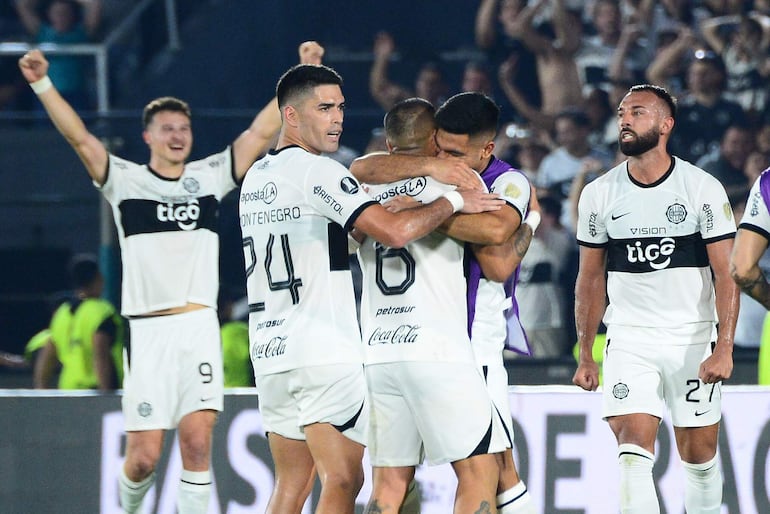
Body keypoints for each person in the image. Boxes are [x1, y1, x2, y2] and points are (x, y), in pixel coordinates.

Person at [19, 41, 325, 514]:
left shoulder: (209, 176)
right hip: (148, 331)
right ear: (148, 137)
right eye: (166, 128)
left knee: (198, 445)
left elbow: (261, 130)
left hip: (198, 327)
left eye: (183, 128)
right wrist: (42, 82)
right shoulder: (124, 181)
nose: (177, 135)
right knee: (142, 460)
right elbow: (80, 137)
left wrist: (302, 74)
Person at [238, 65, 503, 514]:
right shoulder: (320, 172)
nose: (337, 118)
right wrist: (454, 199)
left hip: (270, 348)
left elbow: (338, 237)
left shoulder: (257, 180)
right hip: (322, 348)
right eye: (324, 108)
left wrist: (377, 208)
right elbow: (395, 234)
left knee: (291, 484)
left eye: (340, 107)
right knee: (343, 478)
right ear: (291, 116)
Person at [351, 91, 538, 514]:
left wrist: (414, 209)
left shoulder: (370, 189)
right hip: (452, 347)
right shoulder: (451, 184)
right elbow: (496, 260)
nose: (447, 158)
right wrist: (441, 200)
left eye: (455, 152)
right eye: (441, 148)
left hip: (381, 349)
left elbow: (361, 168)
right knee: (487, 472)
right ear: (432, 140)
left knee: (391, 483)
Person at [573, 84, 738, 514]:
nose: (625, 119)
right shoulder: (599, 194)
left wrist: (724, 347)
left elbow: (727, 273)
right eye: (622, 112)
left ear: (666, 125)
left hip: (692, 337)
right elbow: (590, 279)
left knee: (699, 459)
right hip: (629, 339)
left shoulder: (701, 187)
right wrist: (587, 355)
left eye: (638, 112)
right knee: (632, 454)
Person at [33, 254, 124, 390]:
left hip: (67, 391)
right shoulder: (102, 312)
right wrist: (106, 395)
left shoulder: (62, 313)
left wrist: (41, 390)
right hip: (95, 391)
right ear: (99, 278)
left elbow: (48, 354)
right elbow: (100, 353)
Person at [14, 0, 102, 109]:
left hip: (76, 95)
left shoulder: (80, 34)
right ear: (49, 15)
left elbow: (94, 4)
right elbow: (22, 5)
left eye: (65, 13)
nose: (61, 17)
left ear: (72, 15)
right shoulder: (42, 33)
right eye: (57, 13)